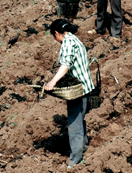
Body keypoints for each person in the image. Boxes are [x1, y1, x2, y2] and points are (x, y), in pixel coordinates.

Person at [44, 19, 95, 169]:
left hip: (77, 91)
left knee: (74, 125)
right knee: (80, 117)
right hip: (86, 87)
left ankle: (75, 160)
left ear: (56, 33)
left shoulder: (67, 43)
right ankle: (83, 146)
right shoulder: (74, 38)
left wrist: (52, 82)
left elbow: (66, 65)